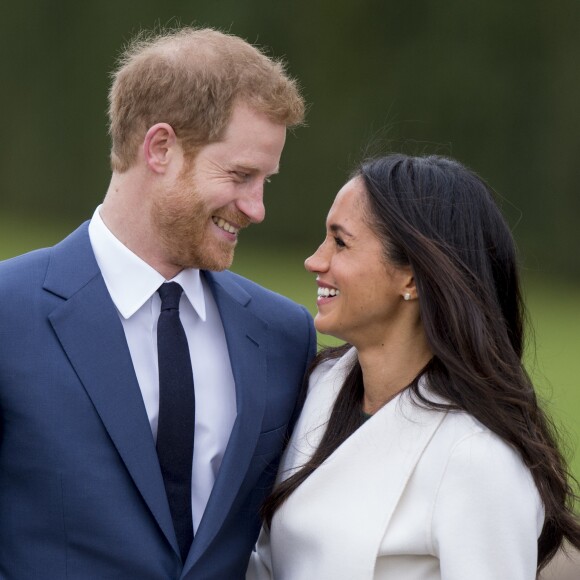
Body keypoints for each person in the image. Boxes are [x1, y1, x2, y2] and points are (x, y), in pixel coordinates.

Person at [0, 28, 316, 579]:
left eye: (266, 180)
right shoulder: (8, 311)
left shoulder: (283, 334)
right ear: (161, 148)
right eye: (241, 175)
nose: (257, 207)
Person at [247, 154, 580, 579]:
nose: (315, 260)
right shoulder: (316, 388)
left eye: (341, 242)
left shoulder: (479, 459)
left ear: (410, 278)